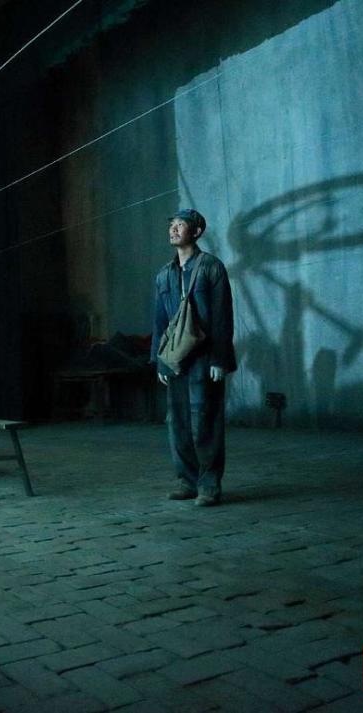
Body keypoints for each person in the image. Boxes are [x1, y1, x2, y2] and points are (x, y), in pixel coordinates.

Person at [151, 209, 236, 506]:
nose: (173, 230)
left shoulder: (211, 267)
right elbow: (160, 321)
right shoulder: (164, 274)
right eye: (172, 225)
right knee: (178, 423)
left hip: (204, 358)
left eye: (181, 225)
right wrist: (160, 361)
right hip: (176, 359)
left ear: (196, 232)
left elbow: (223, 317)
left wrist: (219, 360)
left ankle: (209, 485)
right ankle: (187, 481)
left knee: (206, 421)